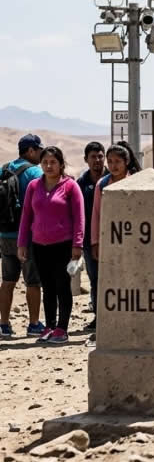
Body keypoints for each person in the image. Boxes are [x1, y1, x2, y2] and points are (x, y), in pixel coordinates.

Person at [17, 146, 84, 344]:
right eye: (45, 162)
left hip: (63, 245)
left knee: (62, 286)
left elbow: (79, 218)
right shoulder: (33, 186)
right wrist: (22, 243)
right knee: (47, 287)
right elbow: (26, 215)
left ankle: (62, 329)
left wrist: (77, 245)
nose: (48, 165)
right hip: (39, 245)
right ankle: (49, 326)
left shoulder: (70, 186)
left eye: (53, 162)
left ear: (61, 164)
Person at [89, 141, 140, 343]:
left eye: (117, 161)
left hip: (132, 242)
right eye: (110, 161)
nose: (113, 165)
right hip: (109, 241)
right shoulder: (102, 184)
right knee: (110, 283)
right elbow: (96, 214)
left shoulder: (136, 182)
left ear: (126, 162)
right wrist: (95, 242)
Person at [0, 134, 44, 338]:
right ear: (31, 151)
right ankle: (34, 324)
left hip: (5, 234)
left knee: (8, 281)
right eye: (39, 150)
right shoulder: (35, 172)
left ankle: (4, 324)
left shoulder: (3, 169)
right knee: (32, 281)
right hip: (26, 236)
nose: (41, 154)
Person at [76, 141, 105, 331]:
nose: (97, 160)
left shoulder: (114, 179)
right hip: (89, 241)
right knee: (95, 279)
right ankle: (98, 316)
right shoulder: (81, 184)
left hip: (116, 239)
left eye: (100, 156)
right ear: (86, 160)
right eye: (93, 157)